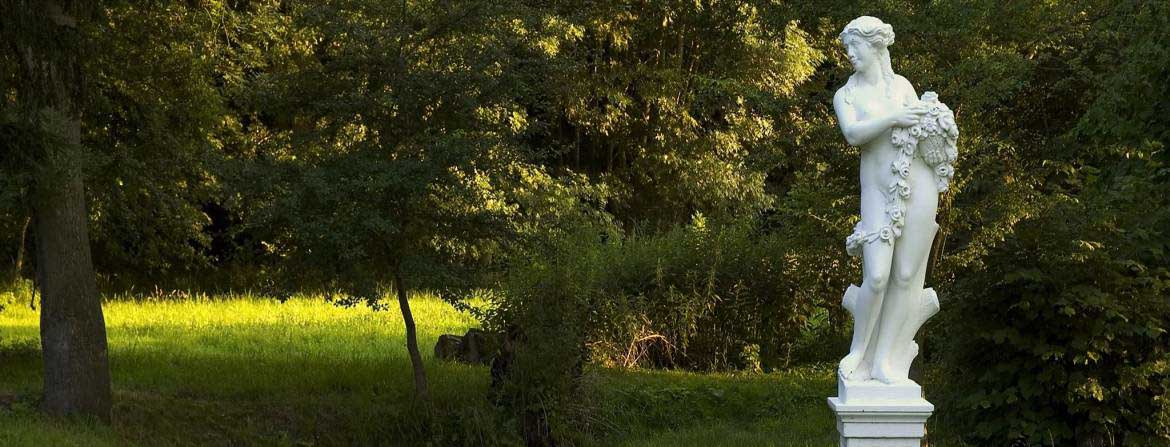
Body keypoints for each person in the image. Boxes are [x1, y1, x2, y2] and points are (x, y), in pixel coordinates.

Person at [832, 16, 941, 384]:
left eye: (854, 46)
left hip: (912, 188)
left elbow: (924, 137)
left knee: (906, 275)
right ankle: (859, 351)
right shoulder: (846, 95)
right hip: (877, 194)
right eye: (847, 47)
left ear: (875, 47)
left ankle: (883, 361)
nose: (849, 54)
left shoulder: (903, 88)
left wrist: (936, 118)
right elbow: (853, 134)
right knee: (877, 276)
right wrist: (895, 118)